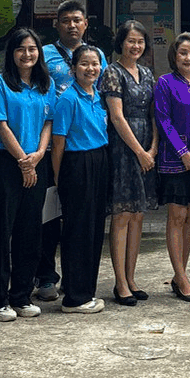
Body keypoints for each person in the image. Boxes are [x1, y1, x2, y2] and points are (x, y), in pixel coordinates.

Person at [36, 0, 105, 302]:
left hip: (83, 144)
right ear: (57, 24)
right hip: (51, 146)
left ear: (86, 23)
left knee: (81, 220)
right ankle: (45, 276)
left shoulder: (97, 56)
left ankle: (75, 280)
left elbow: (100, 91)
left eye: (77, 20)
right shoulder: (44, 55)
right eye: (66, 20)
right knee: (50, 218)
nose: (72, 25)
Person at [0, 27, 54, 320]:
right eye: (20, 49)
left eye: (32, 48)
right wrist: (23, 161)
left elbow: (48, 122)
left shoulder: (45, 83)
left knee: (31, 231)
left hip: (37, 163)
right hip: (8, 164)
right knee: (2, 232)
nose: (27, 54)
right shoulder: (0, 83)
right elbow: (1, 125)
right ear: (11, 53)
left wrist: (38, 155)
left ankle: (22, 296)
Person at [153, 31, 190, 302]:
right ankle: (181, 277)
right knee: (176, 217)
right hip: (174, 162)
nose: (188, 58)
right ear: (174, 56)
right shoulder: (165, 83)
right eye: (183, 53)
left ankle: (181, 276)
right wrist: (183, 153)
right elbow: (163, 120)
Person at [101, 20, 159, 306]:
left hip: (147, 147)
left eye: (140, 41)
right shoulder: (112, 72)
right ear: (121, 43)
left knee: (138, 214)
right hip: (123, 149)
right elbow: (116, 116)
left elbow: (153, 114)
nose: (136, 46)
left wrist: (153, 148)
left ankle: (132, 278)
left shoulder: (147, 73)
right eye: (130, 41)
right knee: (122, 215)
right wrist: (139, 151)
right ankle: (120, 283)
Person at [51, 43, 110, 314]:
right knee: (77, 230)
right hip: (76, 164)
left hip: (99, 160)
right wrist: (58, 177)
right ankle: (74, 297)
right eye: (84, 64)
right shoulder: (68, 99)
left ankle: (87, 290)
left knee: (94, 229)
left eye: (95, 63)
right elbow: (59, 142)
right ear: (73, 68)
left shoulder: (98, 96)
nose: (90, 68)